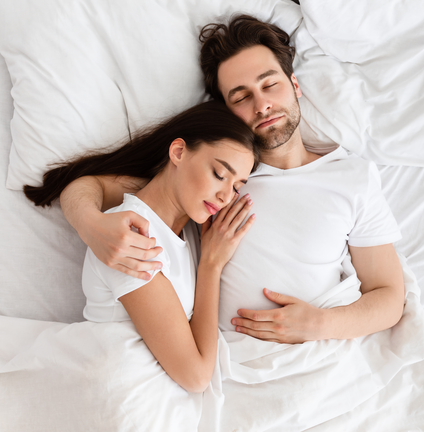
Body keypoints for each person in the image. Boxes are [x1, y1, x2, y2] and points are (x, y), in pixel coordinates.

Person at [58, 15, 405, 345]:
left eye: (270, 84)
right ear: (226, 109)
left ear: (294, 85)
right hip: (223, 364)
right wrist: (89, 224)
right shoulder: (211, 175)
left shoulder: (351, 177)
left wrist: (318, 325)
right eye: (241, 97)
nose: (262, 104)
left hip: (318, 350)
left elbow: (389, 296)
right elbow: (91, 185)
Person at [24, 101, 260, 393]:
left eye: (237, 186)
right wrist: (211, 266)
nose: (226, 196)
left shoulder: (188, 227)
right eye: (220, 175)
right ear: (178, 152)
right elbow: (197, 377)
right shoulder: (133, 237)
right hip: (121, 393)